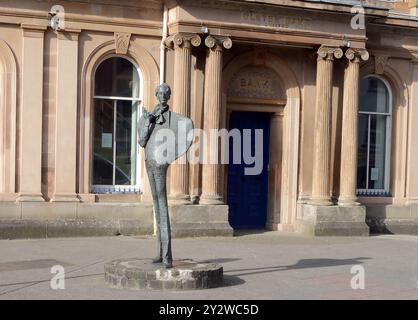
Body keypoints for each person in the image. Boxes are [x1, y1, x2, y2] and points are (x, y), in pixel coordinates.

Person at [138, 83, 193, 269]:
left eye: (165, 94)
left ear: (169, 96)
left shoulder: (175, 119)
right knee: (156, 204)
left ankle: (167, 256)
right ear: (156, 95)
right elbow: (142, 141)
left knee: (162, 204)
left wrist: (169, 156)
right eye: (160, 93)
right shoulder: (148, 117)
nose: (162, 96)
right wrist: (148, 121)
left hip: (161, 163)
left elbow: (183, 136)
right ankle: (160, 252)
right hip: (149, 161)